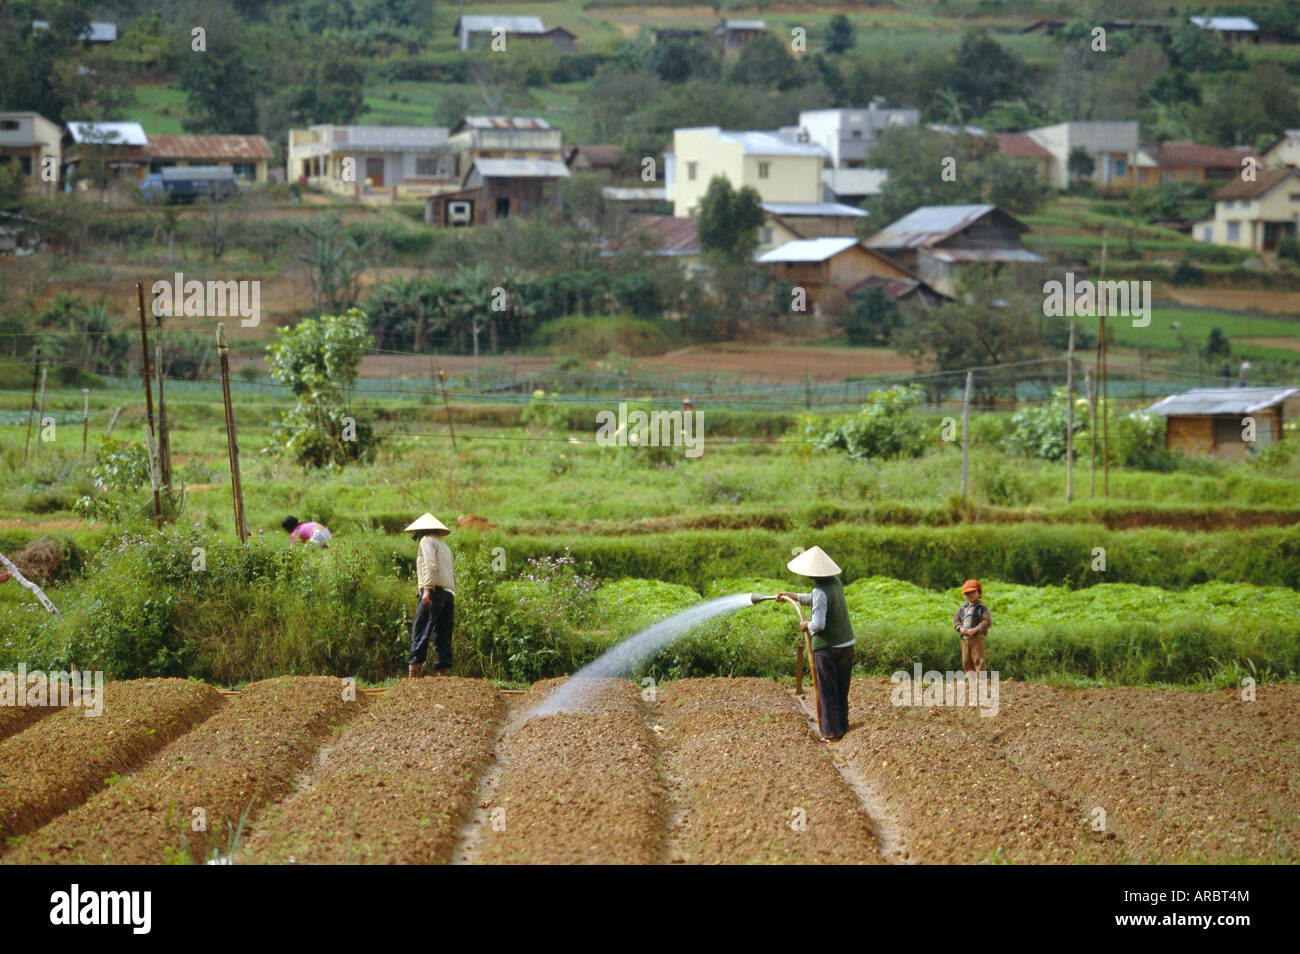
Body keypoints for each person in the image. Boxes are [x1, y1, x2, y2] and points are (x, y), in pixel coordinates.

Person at [778, 546, 854, 742]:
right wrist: (794, 596)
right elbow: (818, 601)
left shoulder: (820, 590)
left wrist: (806, 625)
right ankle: (842, 727)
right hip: (846, 644)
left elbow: (819, 625)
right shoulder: (835, 583)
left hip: (828, 648)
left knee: (827, 690)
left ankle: (830, 732)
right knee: (840, 688)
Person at [405, 512, 456, 679]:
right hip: (449, 593)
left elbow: (430, 565)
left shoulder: (426, 541)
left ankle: (413, 674)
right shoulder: (444, 546)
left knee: (421, 630)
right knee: (443, 633)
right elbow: (449, 572)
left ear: (422, 530)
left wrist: (426, 589)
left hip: (434, 591)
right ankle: (443, 674)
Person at [952, 579, 991, 675]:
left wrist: (975, 629)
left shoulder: (982, 608)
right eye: (967, 593)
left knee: (978, 660)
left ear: (979, 593)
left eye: (973, 592)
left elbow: (987, 621)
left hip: (976, 638)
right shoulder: (962, 609)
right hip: (965, 639)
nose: (970, 595)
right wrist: (960, 628)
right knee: (966, 661)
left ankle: (980, 681)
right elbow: (956, 620)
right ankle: (970, 682)